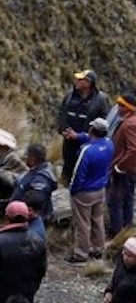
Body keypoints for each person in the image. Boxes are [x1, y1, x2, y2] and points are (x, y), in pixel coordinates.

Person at [0, 200, 47, 303]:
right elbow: (41, 270)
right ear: (26, 216)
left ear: (7, 217)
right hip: (24, 297)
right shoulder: (38, 241)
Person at [67, 117, 114, 263]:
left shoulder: (86, 151)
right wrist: (79, 136)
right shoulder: (109, 144)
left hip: (84, 192)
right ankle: (98, 249)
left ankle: (81, 254)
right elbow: (91, 138)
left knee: (82, 223)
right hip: (100, 189)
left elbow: (78, 173)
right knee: (97, 220)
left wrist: (73, 190)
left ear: (92, 130)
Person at [58, 69, 109, 184]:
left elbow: (103, 120)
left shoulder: (100, 99)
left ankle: (80, 187)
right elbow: (62, 113)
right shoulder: (70, 95)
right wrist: (63, 130)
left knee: (82, 164)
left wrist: (82, 135)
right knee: (68, 162)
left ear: (89, 83)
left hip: (87, 140)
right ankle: (65, 185)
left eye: (81, 80)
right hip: (69, 137)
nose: (77, 81)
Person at [9, 143, 57, 226]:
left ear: (33, 159)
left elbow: (34, 202)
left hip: (28, 222)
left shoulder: (41, 179)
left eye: (27, 155)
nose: (25, 157)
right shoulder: (36, 170)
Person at [110, 93, 136, 237]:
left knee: (116, 202)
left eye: (122, 106)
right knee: (127, 200)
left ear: (128, 108)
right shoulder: (130, 121)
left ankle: (117, 234)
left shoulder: (129, 124)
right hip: (129, 171)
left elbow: (133, 150)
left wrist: (119, 166)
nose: (118, 108)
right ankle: (126, 230)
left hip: (124, 172)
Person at [105, 236, 136, 303]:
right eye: (124, 253)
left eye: (130, 256)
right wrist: (109, 292)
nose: (125, 258)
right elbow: (113, 283)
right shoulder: (121, 265)